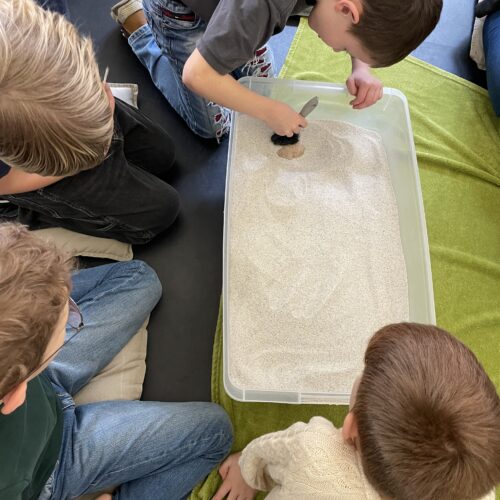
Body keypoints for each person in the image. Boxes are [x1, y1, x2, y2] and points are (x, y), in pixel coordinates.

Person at [0, 222, 233, 499]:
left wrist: (39, 294)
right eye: (70, 319)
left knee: (139, 278)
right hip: (56, 461)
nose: (73, 318)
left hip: (43, 380)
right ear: (16, 395)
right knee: (216, 432)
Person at [213, 323, 500, 500]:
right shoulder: (477, 487)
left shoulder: (313, 452)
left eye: (365, 372)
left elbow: (266, 455)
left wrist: (246, 470)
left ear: (350, 428)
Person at [110, 0, 443, 140]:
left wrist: (362, 66)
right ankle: (139, 28)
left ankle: (230, 40)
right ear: (347, 10)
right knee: (214, 128)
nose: (337, 51)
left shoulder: (344, 6)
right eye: (346, 49)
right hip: (181, 13)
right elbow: (197, 75)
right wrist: (268, 111)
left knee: (260, 83)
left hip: (235, 12)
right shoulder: (264, 5)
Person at [0, 0, 180, 245]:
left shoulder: (36, 18)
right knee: (161, 211)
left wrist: (95, 99)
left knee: (162, 153)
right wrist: (72, 167)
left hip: (72, 109)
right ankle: (29, 212)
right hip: (21, 176)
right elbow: (7, 182)